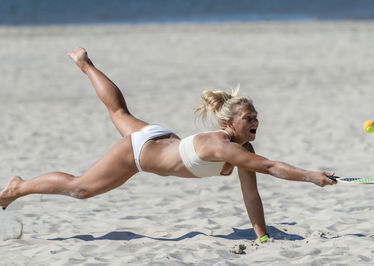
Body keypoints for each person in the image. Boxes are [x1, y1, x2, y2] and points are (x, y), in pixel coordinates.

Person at [0, 47, 336, 242]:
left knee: (118, 111)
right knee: (80, 189)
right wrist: (311, 176)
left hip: (159, 136)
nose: (255, 121)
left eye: (256, 116)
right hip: (139, 152)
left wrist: (261, 237)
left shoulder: (241, 152)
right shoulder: (224, 147)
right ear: (228, 123)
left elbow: (251, 193)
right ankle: (17, 187)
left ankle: (85, 62)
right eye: (248, 116)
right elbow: (271, 167)